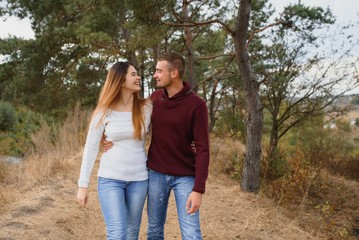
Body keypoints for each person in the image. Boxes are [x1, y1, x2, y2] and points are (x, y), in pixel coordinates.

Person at [103, 51, 210, 240]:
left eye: (159, 71)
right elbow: (128, 116)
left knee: (191, 231)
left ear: (174, 73)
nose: (154, 75)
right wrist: (107, 135)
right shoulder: (155, 99)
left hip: (185, 176)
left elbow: (203, 149)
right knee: (154, 230)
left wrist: (198, 189)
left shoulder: (197, 105)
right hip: (156, 174)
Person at [77, 61, 152, 240]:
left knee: (132, 233)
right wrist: (83, 185)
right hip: (111, 180)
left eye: (137, 74)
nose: (138, 77)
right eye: (133, 74)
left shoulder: (146, 107)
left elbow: (169, 127)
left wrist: (189, 142)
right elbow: (90, 147)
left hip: (139, 180)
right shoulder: (103, 111)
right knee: (117, 234)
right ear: (120, 80)